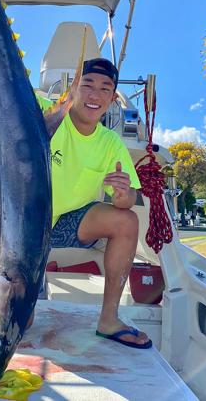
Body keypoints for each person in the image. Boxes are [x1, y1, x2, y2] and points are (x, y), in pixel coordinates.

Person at [38, 58, 151, 349]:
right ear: (72, 88)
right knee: (21, 322)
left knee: (127, 221)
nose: (94, 95)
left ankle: (109, 319)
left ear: (113, 98)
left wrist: (123, 192)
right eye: (86, 84)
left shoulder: (111, 142)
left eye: (104, 88)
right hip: (23, 221)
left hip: (68, 224)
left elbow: (124, 203)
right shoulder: (44, 110)